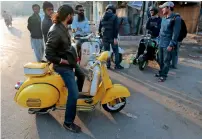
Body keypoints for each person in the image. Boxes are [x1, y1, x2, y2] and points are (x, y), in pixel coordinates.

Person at [46, 5, 82, 133]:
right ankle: (68, 123)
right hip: (62, 65)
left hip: (68, 60)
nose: (73, 17)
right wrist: (63, 61)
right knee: (73, 93)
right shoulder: (56, 30)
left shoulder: (63, 27)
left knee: (81, 74)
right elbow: (48, 53)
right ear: (68, 16)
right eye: (73, 15)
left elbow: (64, 44)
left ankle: (77, 100)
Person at [155, 2, 181, 82]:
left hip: (168, 43)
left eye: (163, 7)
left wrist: (171, 44)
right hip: (161, 42)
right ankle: (161, 72)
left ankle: (163, 75)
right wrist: (158, 40)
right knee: (159, 59)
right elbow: (161, 31)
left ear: (168, 8)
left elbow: (176, 33)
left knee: (166, 61)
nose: (162, 9)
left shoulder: (176, 19)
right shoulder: (164, 18)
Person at [98, 4, 124, 69]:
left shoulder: (102, 17)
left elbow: (99, 28)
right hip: (112, 37)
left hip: (104, 37)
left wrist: (101, 36)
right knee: (116, 51)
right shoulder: (114, 17)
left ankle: (108, 65)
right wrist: (115, 38)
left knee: (107, 52)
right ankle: (117, 65)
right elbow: (116, 28)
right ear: (113, 10)